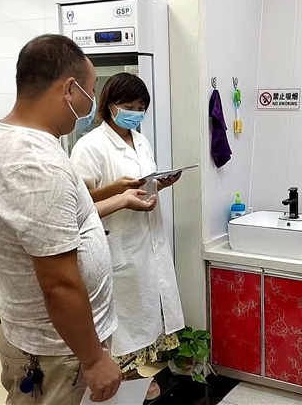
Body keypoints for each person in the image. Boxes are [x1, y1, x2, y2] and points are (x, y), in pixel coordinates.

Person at [0, 35, 157, 404]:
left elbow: (64, 224)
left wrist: (119, 198)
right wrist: (93, 358)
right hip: (57, 349)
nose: (91, 103)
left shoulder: (22, 142)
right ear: (69, 89)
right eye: (91, 91)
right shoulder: (32, 163)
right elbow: (58, 283)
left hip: (59, 342)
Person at [70, 72, 184, 401]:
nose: (135, 112)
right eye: (128, 106)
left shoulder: (141, 141)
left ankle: (132, 374)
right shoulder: (89, 146)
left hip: (145, 240)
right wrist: (118, 191)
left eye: (140, 107)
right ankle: (121, 378)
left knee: (143, 313)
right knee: (119, 321)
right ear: (109, 105)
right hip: (114, 242)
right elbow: (78, 201)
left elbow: (141, 184)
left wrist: (159, 183)